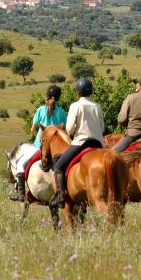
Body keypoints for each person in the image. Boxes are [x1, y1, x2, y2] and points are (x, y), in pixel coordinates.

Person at [48, 78, 104, 207]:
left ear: (78, 92)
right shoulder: (97, 106)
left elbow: (69, 129)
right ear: (91, 92)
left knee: (58, 166)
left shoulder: (75, 106)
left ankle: (62, 196)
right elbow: (102, 127)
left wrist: (73, 134)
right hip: (98, 144)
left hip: (81, 143)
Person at [9, 85, 67, 202]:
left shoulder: (40, 110)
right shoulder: (62, 112)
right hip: (57, 150)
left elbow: (33, 130)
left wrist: (39, 140)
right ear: (59, 98)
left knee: (20, 164)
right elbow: (65, 132)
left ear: (47, 96)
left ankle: (21, 193)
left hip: (40, 147)